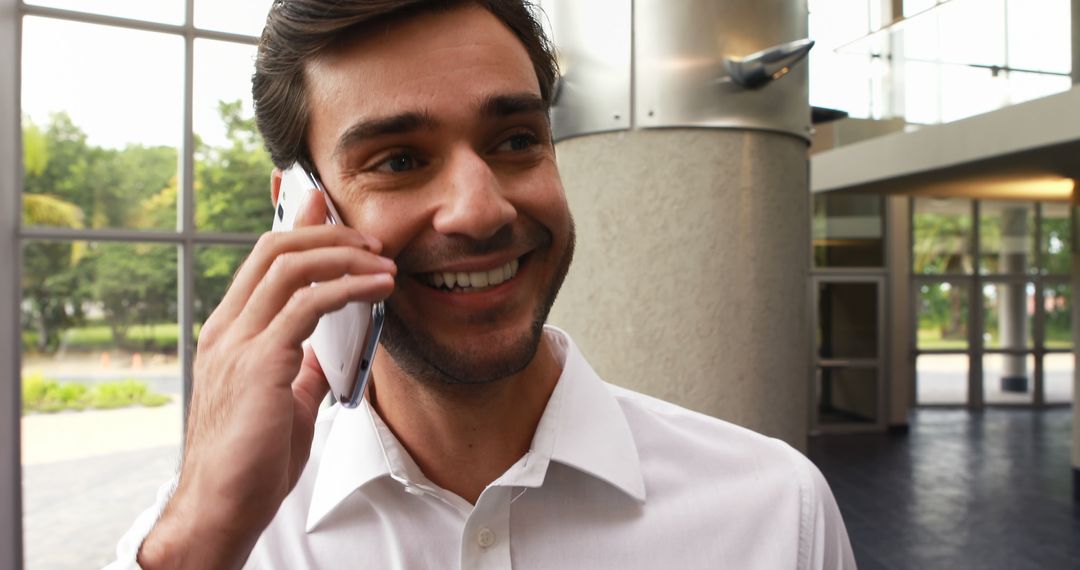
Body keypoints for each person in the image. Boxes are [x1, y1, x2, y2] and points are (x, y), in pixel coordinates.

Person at [110, 1, 855, 568]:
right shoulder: (227, 537)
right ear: (300, 212)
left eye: (516, 140)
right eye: (399, 160)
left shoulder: (776, 512)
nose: (482, 209)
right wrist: (198, 543)